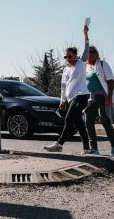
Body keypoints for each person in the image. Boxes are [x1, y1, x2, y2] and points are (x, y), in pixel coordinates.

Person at [44, 26, 92, 154]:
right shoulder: (65, 70)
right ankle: (87, 148)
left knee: (68, 119)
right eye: (66, 57)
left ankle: (59, 144)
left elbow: (87, 50)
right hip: (70, 99)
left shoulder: (81, 64)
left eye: (70, 56)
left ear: (75, 56)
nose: (68, 59)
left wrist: (86, 35)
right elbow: (63, 86)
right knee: (79, 124)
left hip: (81, 96)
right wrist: (62, 100)